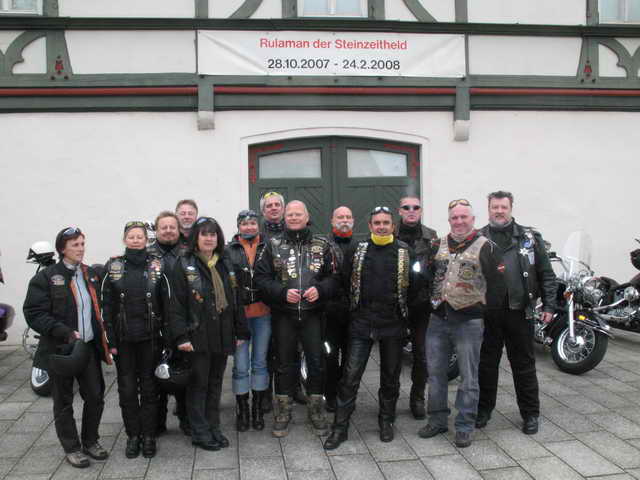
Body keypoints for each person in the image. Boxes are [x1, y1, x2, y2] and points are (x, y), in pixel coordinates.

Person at [324, 206, 420, 450]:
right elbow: (343, 281)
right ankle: (340, 428)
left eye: (386, 222)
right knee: (350, 377)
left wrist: (408, 318)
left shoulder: (405, 251)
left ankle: (386, 421)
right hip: (362, 323)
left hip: (393, 324)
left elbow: (417, 286)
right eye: (377, 223)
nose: (381, 226)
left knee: (390, 377)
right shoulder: (357, 249)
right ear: (370, 226)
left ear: (393, 226)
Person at [24, 227, 111, 468]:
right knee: (63, 401)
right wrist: (63, 331)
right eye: (75, 245)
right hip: (60, 350)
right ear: (62, 249)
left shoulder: (90, 274)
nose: (81, 249)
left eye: (82, 244)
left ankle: (91, 441)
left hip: (88, 348)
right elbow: (34, 313)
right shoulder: (45, 278)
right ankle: (72, 448)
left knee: (95, 396)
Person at [418, 199, 502, 448]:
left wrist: (484, 313)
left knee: (468, 377)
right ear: (449, 220)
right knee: (435, 374)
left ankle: (465, 425)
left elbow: (498, 286)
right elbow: (427, 275)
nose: (459, 221)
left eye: (464, 217)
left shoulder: (487, 247)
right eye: (454, 217)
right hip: (438, 319)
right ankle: (437, 420)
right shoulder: (437, 244)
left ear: (473, 219)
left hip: (469, 322)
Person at [255, 200, 339, 438]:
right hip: (284, 314)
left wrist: (320, 290)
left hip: (314, 314)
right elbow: (261, 279)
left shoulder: (323, 244)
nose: (293, 217)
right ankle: (283, 413)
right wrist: (282, 293)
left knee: (316, 362)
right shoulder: (272, 245)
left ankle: (316, 411)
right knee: (283, 363)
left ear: (307, 216)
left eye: (298, 214)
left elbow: (335, 277)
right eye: (290, 214)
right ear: (285, 217)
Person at [476, 191, 556, 435]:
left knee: (524, 366)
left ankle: (530, 414)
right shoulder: (478, 238)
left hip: (519, 312)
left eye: (503, 207)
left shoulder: (529, 238)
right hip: (488, 314)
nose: (499, 211)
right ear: (488, 209)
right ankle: (483, 410)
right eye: (495, 207)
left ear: (511, 208)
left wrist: (549, 306)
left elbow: (546, 274)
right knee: (486, 365)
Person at [170, 217, 250, 451]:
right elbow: (176, 305)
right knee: (198, 385)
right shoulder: (184, 263)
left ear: (218, 238)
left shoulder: (225, 262)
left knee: (215, 384)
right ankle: (200, 432)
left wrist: (240, 330)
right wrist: (181, 337)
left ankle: (213, 427)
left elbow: (236, 300)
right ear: (196, 238)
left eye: (213, 234)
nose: (209, 238)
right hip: (196, 335)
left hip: (222, 333)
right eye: (204, 234)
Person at [102, 221, 170, 459]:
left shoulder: (157, 265)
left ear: (146, 239)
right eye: (131, 236)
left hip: (150, 339)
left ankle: (149, 436)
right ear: (124, 240)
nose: (135, 240)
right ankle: (133, 435)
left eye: (139, 236)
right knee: (127, 390)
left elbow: (167, 304)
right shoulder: (113, 266)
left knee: (150, 389)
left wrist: (166, 338)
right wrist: (110, 341)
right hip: (124, 341)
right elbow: (106, 307)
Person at [225, 209, 271, 431]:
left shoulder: (269, 246)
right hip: (240, 315)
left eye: (253, 223)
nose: (249, 227)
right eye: (244, 223)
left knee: (260, 362)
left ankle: (257, 409)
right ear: (238, 226)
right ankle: (242, 408)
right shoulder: (228, 250)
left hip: (263, 313)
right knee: (241, 365)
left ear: (258, 225)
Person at [147, 211, 191, 436]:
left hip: (183, 323)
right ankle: (157, 422)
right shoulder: (146, 255)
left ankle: (186, 419)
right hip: (154, 324)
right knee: (155, 375)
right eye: (163, 227)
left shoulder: (189, 253)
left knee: (184, 373)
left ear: (178, 229)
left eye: (172, 227)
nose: (168, 231)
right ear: (156, 230)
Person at [395, 195, 437, 419]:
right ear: (400, 211)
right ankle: (390, 397)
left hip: (421, 305)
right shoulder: (390, 234)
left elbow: (439, 270)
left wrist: (433, 298)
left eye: (416, 207)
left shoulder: (431, 236)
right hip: (395, 305)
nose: (411, 210)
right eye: (406, 207)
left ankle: (417, 397)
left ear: (421, 211)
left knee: (422, 354)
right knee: (392, 355)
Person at [324, 206, 356, 412]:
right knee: (329, 356)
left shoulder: (360, 246)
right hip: (329, 313)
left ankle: (346, 395)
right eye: (340, 217)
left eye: (348, 217)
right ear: (332, 220)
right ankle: (330, 394)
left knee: (351, 358)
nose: (344, 220)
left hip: (353, 313)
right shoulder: (323, 246)